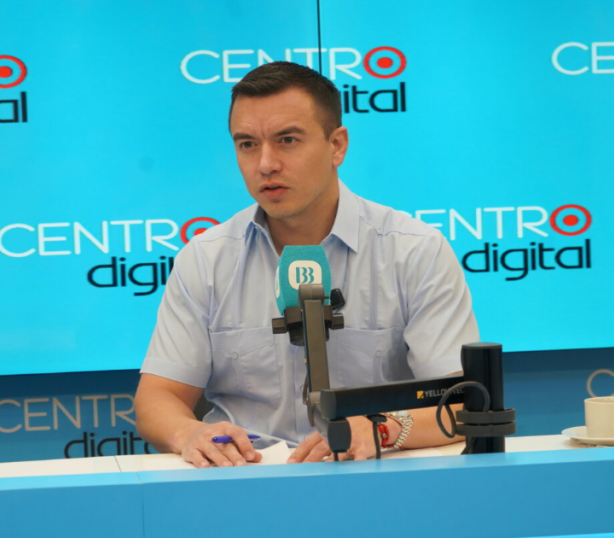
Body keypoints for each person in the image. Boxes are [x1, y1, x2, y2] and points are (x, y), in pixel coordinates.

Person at [134, 61, 479, 468]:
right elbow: (158, 397)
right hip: (245, 477)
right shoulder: (206, 258)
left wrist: (382, 428)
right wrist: (188, 432)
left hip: (375, 474)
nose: (265, 164)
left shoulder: (414, 251)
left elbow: (465, 403)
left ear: (337, 146)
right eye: (247, 144)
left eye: (287, 140)